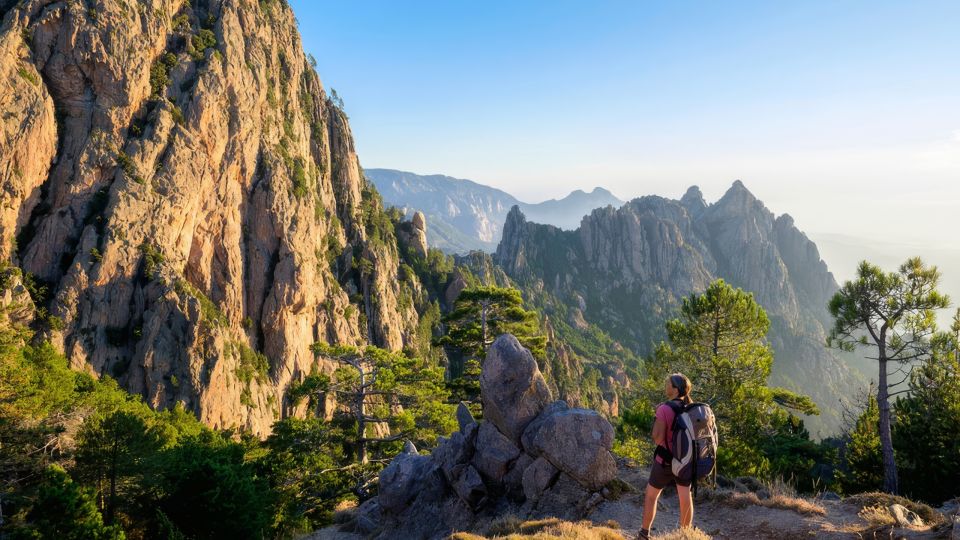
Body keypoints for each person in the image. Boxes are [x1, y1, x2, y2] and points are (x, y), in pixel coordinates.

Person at [637, 373, 694, 539]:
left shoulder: (664, 408)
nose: (665, 385)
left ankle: (644, 533)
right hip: (685, 460)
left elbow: (657, 438)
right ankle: (686, 534)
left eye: (667, 383)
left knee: (651, 495)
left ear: (675, 389)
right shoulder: (690, 407)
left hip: (665, 460)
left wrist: (658, 417)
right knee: (685, 496)